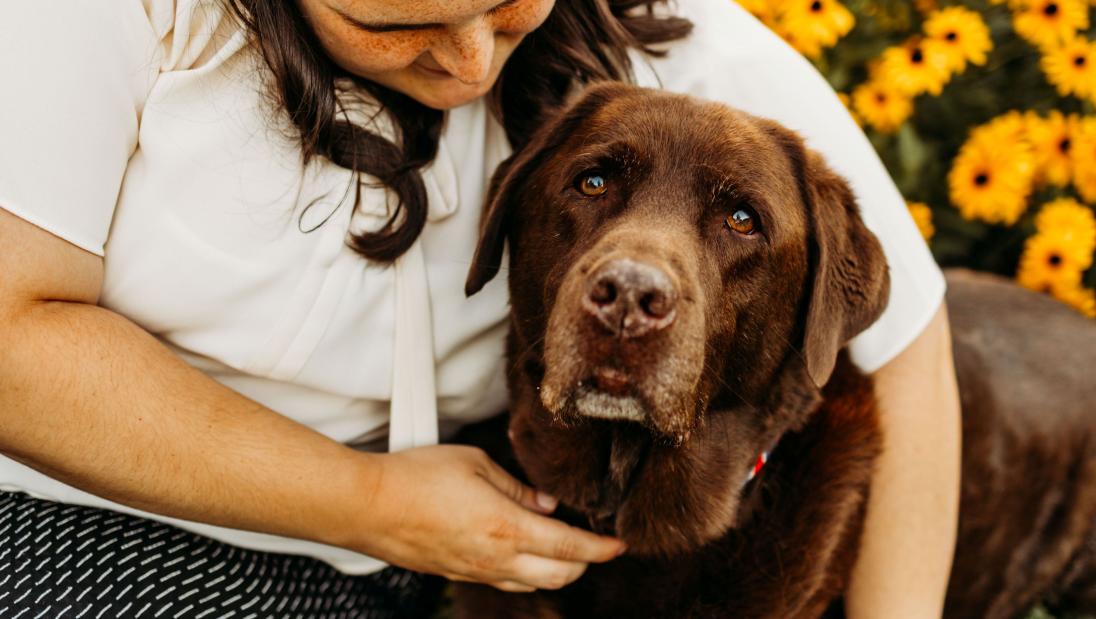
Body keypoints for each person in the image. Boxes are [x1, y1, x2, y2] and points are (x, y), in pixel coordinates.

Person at [0, 0, 961, 617]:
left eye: (506, 8)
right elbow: (10, 339)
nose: (469, 65)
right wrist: (369, 503)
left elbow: (910, 344)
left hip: (480, 553)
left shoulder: (678, 44)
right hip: (106, 512)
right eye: (396, 19)